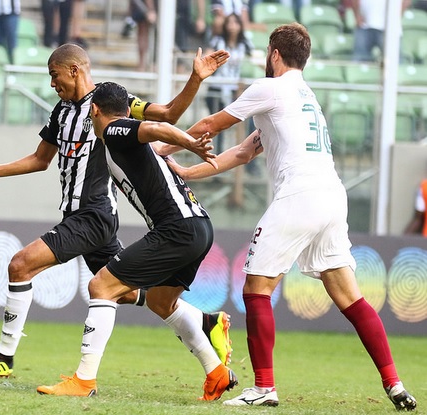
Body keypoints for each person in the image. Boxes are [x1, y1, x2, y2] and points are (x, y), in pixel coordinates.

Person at [161, 23, 417, 411]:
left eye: (268, 52)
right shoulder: (306, 97)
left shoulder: (270, 89)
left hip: (299, 196)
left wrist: (160, 148)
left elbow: (211, 125)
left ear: (274, 54)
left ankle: (264, 388)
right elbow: (244, 153)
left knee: (255, 288)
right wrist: (186, 172)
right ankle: (395, 383)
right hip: (331, 197)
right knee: (351, 298)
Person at [0, 43, 233, 381]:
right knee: (125, 291)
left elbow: (169, 115)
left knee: (20, 265)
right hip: (79, 216)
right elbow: (40, 160)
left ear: (75, 69)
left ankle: (4, 356)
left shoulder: (113, 102)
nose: (53, 84)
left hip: (93, 214)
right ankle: (207, 321)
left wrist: (195, 78)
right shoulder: (60, 112)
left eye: (55, 76)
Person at [36, 81, 237, 400]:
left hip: (177, 228)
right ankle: (215, 372)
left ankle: (83, 380)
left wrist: (190, 142)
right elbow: (158, 129)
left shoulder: (115, 131)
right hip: (199, 227)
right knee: (160, 301)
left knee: (101, 287)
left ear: (94, 110)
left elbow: (158, 126)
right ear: (128, 109)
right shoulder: (119, 141)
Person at [205, 12, 252, 152]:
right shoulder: (217, 41)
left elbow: (255, 59)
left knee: (240, 125)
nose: (232, 26)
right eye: (229, 22)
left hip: (235, 90)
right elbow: (207, 57)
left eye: (235, 23)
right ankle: (216, 156)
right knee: (216, 126)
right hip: (217, 88)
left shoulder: (245, 44)